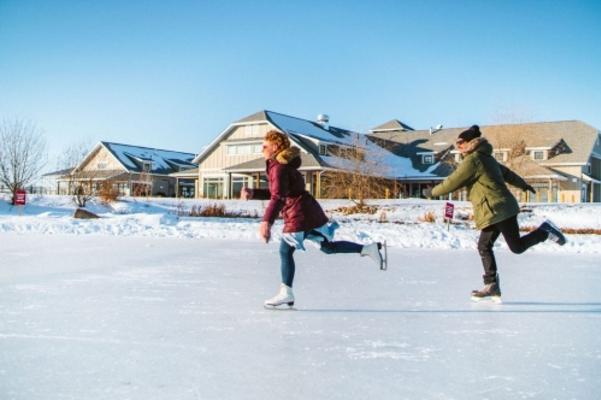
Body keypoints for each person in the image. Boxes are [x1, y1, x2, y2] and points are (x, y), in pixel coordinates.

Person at [241, 130, 386, 308]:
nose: (261, 149)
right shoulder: (282, 166)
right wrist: (254, 193)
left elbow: (278, 197)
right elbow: (279, 192)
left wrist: (266, 222)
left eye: (264, 146)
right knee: (327, 247)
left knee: (285, 251)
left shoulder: (278, 167)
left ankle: (286, 292)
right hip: (310, 212)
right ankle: (368, 248)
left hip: (299, 214)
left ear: (275, 147)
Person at [424, 125, 566, 302]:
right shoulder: (485, 157)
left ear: (470, 143)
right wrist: (522, 184)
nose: (458, 146)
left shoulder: (473, 160)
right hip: (495, 210)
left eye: (460, 143)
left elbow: (453, 182)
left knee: (516, 247)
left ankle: (544, 231)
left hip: (499, 209)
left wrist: (432, 193)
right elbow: (506, 173)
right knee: (484, 246)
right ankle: (491, 285)